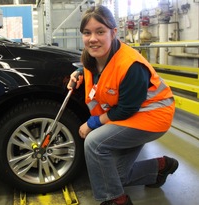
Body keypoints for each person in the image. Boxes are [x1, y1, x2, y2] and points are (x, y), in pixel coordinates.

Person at [67, 5, 179, 205]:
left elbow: (126, 109)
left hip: (152, 116)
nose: (93, 38)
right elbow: (99, 75)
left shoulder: (131, 65)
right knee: (111, 176)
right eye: (87, 33)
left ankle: (115, 200)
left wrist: (93, 123)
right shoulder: (92, 58)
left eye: (100, 31)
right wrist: (78, 74)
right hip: (131, 115)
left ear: (113, 32)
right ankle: (161, 167)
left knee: (94, 142)